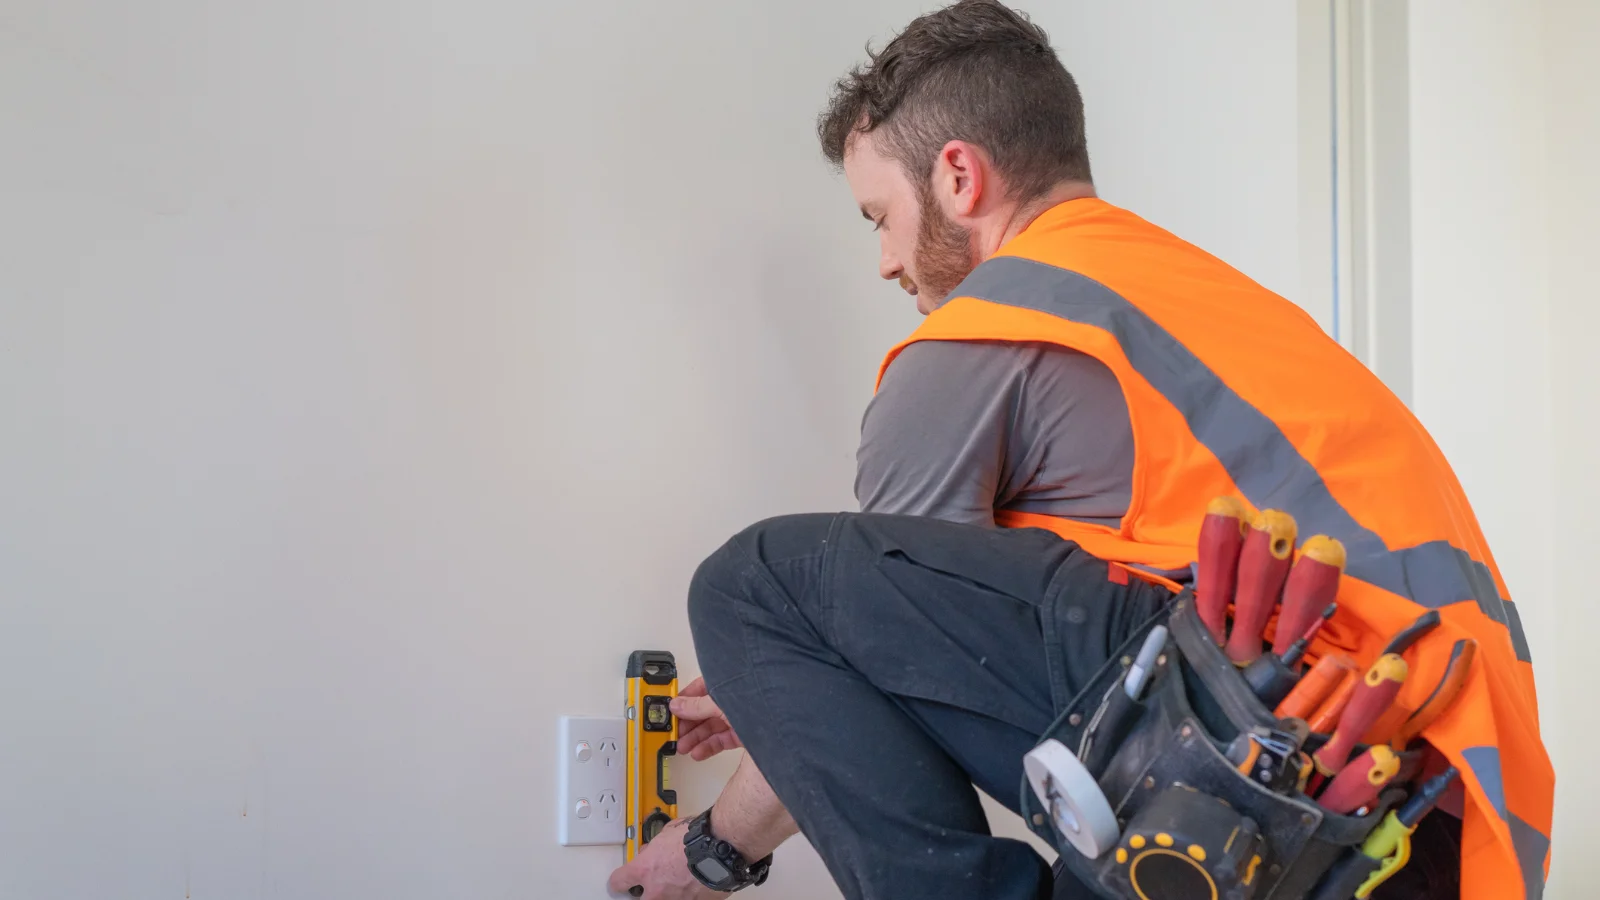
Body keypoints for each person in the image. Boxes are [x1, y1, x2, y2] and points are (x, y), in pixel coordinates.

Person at [606, 2, 1553, 899]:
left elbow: (905, 649)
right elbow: (920, 636)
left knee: (760, 583)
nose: (886, 261)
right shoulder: (1190, 295)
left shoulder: (978, 335)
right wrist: (781, 689)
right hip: (1433, 813)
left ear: (958, 176)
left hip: (1275, 761)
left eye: (878, 217)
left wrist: (711, 849)